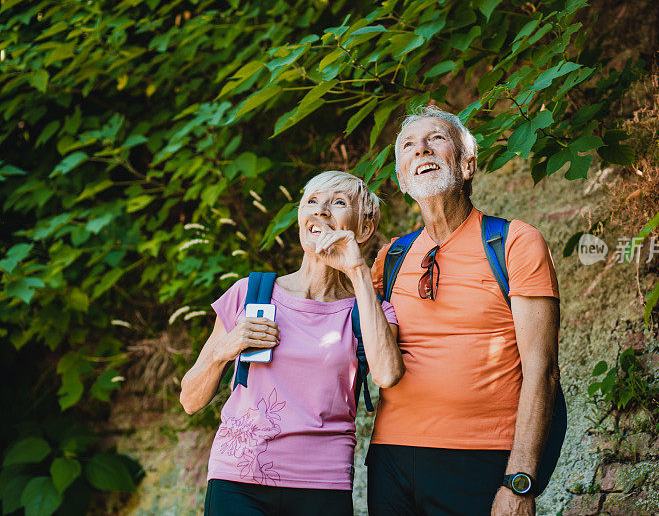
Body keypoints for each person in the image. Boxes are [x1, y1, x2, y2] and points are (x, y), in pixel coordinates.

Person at [367, 106, 561, 516]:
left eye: (436, 139)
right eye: (408, 145)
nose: (420, 149)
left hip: (484, 459)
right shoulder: (390, 259)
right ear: (402, 180)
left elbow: (542, 370)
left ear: (468, 164)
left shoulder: (514, 243)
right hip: (391, 461)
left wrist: (519, 482)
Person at [180, 171, 404, 516]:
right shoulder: (249, 293)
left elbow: (388, 374)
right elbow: (190, 400)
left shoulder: (371, 311)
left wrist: (358, 271)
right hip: (239, 480)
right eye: (311, 202)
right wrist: (224, 351)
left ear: (364, 229)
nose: (321, 211)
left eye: (338, 203)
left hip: (323, 484)